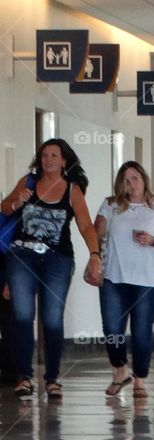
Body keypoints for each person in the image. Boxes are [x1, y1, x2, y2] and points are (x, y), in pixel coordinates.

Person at [0, 138, 101, 400]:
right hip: (22, 255)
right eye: (45, 155)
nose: (49, 160)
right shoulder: (28, 182)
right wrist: (16, 202)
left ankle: (52, 378)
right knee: (22, 316)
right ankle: (23, 376)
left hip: (57, 259)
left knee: (52, 319)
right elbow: (4, 208)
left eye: (54, 156)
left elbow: (86, 225)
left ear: (64, 160)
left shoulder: (72, 190)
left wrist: (94, 255)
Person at [94, 161, 154, 398]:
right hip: (114, 276)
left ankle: (140, 378)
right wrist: (94, 260)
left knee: (141, 329)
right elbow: (95, 233)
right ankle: (120, 369)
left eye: (135, 179)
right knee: (112, 327)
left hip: (148, 280)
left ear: (144, 180)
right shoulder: (111, 205)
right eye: (126, 180)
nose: (131, 184)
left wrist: (152, 241)